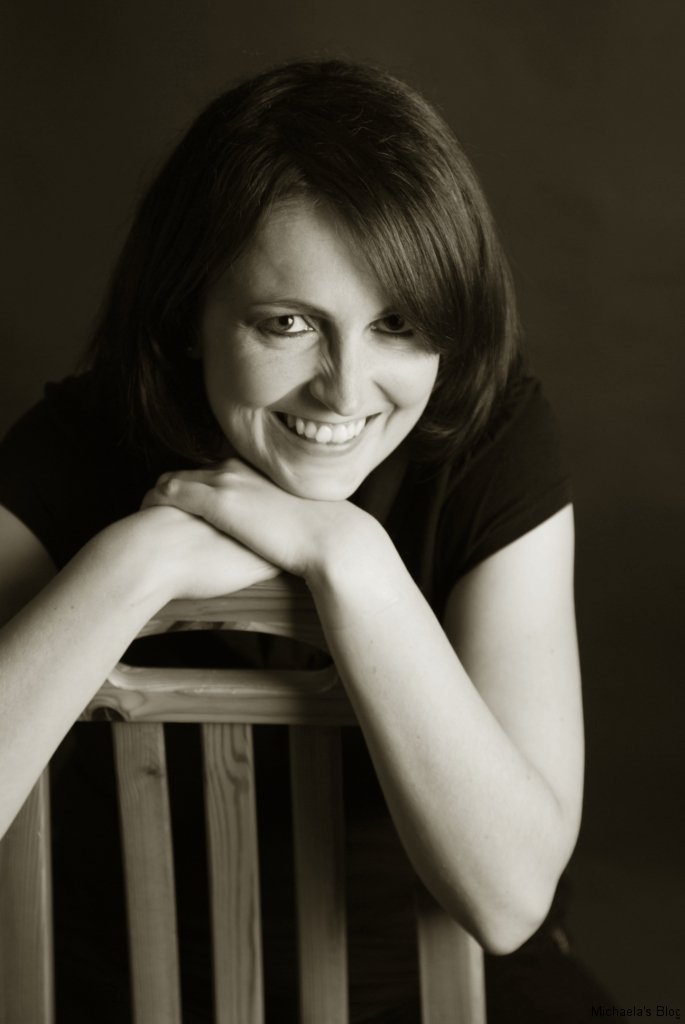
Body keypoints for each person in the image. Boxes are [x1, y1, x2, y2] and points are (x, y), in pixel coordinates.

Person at [0, 59, 607, 1021]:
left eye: (396, 323)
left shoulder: (488, 442)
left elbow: (509, 901)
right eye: (288, 323)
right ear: (187, 316)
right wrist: (138, 561)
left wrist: (350, 559)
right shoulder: (80, 444)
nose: (345, 390)